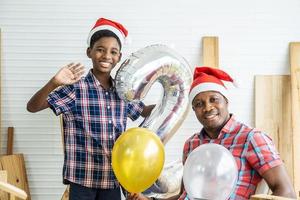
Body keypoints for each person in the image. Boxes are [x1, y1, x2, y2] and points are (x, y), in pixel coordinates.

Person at [27, 17, 155, 200]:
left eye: (113, 52)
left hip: (112, 180)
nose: (106, 56)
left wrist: (174, 98)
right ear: (89, 52)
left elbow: (144, 111)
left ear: (119, 57)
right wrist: (54, 83)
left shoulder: (122, 91)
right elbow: (32, 107)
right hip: (82, 180)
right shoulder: (75, 88)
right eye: (100, 50)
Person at [128, 66, 296, 200]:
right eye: (199, 104)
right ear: (194, 110)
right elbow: (185, 196)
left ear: (226, 101)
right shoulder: (192, 144)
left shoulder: (252, 138)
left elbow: (286, 192)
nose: (207, 108)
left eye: (214, 99)